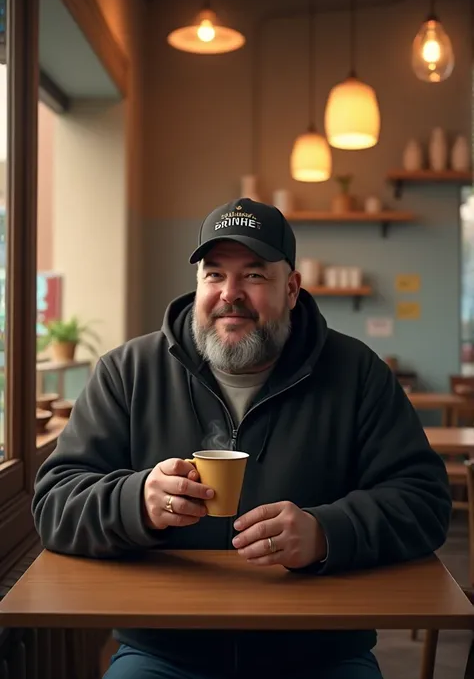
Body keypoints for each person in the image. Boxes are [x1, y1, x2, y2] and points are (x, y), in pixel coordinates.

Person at [32, 198, 451, 679]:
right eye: (214, 275)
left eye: (254, 275)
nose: (230, 293)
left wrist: (325, 532)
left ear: (291, 289)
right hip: (163, 654)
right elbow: (53, 503)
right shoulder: (127, 373)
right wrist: (137, 500)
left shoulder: (358, 375)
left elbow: (425, 501)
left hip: (321, 654)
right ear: (197, 284)